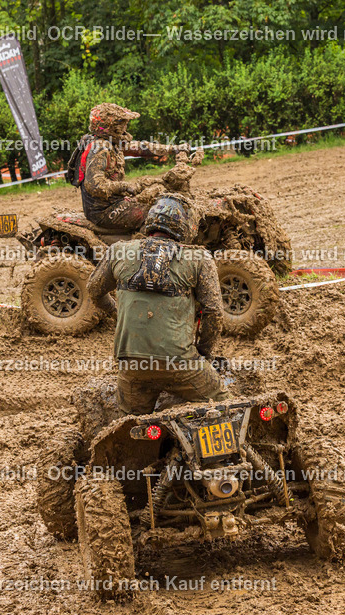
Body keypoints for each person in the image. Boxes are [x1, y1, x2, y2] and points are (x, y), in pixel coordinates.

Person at [86, 193, 228, 415]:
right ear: (186, 227)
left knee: (131, 426)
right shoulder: (199, 259)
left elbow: (93, 291)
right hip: (181, 363)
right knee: (225, 406)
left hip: (132, 365)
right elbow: (214, 312)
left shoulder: (118, 251)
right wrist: (203, 353)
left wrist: (115, 311)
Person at [77, 102, 185, 234]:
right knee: (158, 212)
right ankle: (153, 246)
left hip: (113, 202)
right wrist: (125, 186)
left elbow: (141, 148)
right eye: (122, 122)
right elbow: (95, 185)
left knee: (158, 198)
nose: (125, 126)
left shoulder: (112, 143)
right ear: (110, 126)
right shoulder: (100, 148)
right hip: (103, 211)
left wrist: (173, 149)